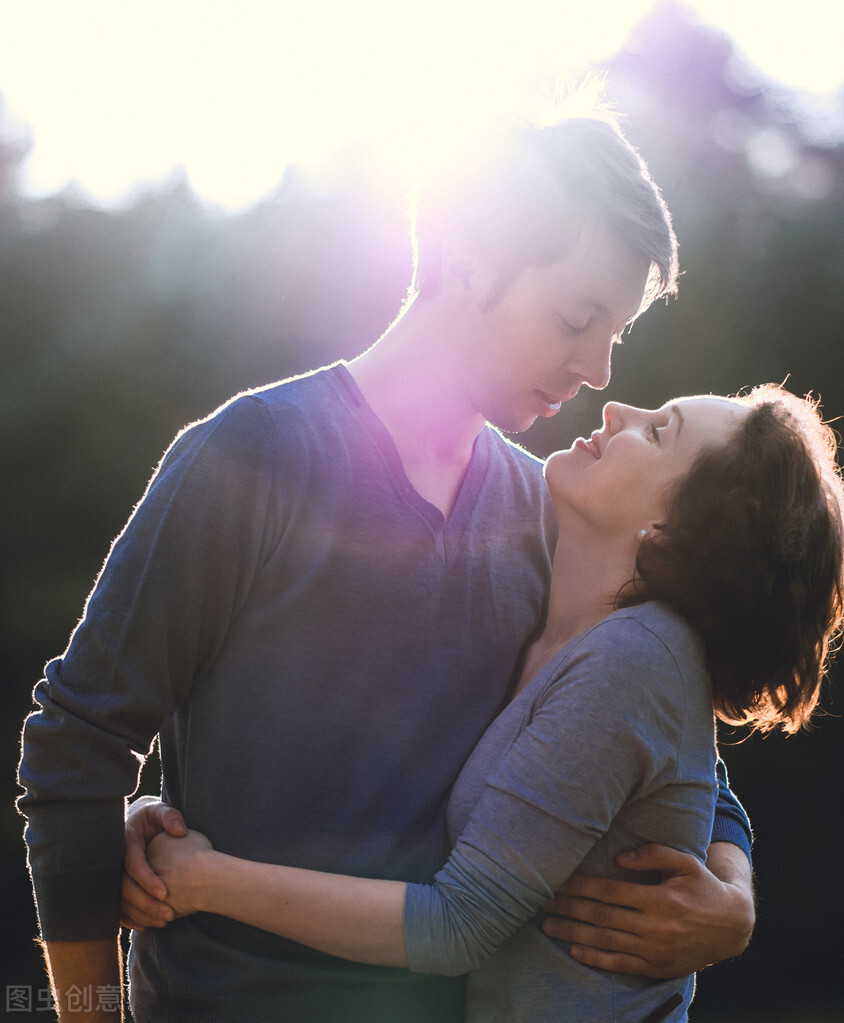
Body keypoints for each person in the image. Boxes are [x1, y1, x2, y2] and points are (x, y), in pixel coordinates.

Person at [18, 108, 754, 1023]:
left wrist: (731, 895)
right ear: (470, 258)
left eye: (618, 332)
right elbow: (76, 746)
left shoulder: (549, 515)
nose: (599, 368)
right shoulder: (250, 458)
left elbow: (665, 733)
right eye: (577, 317)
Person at [136, 384, 844, 1022]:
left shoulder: (638, 660)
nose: (615, 406)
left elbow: (456, 926)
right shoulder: (554, 585)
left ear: (671, 533)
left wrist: (203, 879)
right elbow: (696, 771)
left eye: (657, 432)